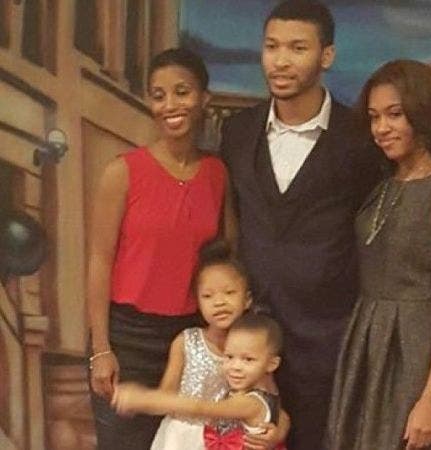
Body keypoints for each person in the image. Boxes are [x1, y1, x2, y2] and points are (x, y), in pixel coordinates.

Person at [219, 2, 382, 448]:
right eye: (272, 46)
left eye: (297, 48)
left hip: (327, 345)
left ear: (326, 56)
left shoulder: (360, 139)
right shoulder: (237, 132)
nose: (281, 61)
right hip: (249, 344)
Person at [327, 59, 431, 450]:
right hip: (366, 341)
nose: (381, 128)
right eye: (374, 117)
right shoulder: (382, 185)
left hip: (415, 348)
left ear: (422, 113)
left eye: (394, 114)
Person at [87, 47, 235, 450]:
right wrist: (101, 349)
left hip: (189, 339)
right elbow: (99, 262)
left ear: (204, 98)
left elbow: (228, 257)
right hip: (127, 338)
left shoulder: (217, 174)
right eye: (158, 95)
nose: (170, 104)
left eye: (182, 92)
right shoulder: (122, 172)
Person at [145, 242, 288, 449]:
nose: (219, 302)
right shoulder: (186, 341)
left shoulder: (255, 344)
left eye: (229, 293)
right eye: (208, 296)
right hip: (182, 438)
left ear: (247, 299)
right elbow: (164, 397)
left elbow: (271, 401)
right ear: (198, 302)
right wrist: (143, 400)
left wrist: (279, 430)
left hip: (230, 442)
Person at [112, 312, 287, 450]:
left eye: (248, 359)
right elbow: (282, 416)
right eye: (229, 357)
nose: (235, 366)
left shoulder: (249, 402)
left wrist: (143, 398)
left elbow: (200, 407)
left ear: (272, 364)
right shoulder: (267, 389)